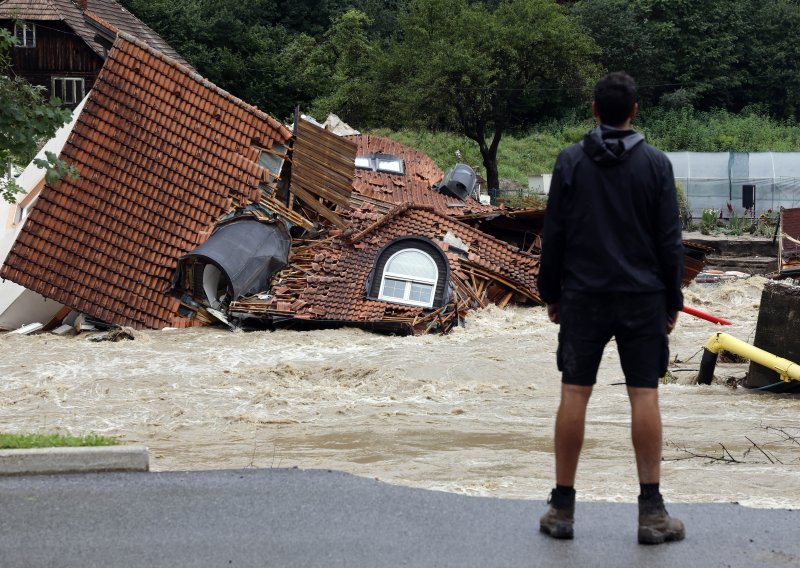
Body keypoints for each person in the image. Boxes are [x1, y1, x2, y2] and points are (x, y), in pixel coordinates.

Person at [536, 71, 685, 545]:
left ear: (595, 110)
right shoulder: (657, 166)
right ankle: (652, 513)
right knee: (644, 396)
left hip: (584, 297)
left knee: (574, 393)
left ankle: (562, 508)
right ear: (634, 111)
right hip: (642, 299)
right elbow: (670, 242)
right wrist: (672, 300)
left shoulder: (570, 162)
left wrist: (551, 293)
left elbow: (553, 234)